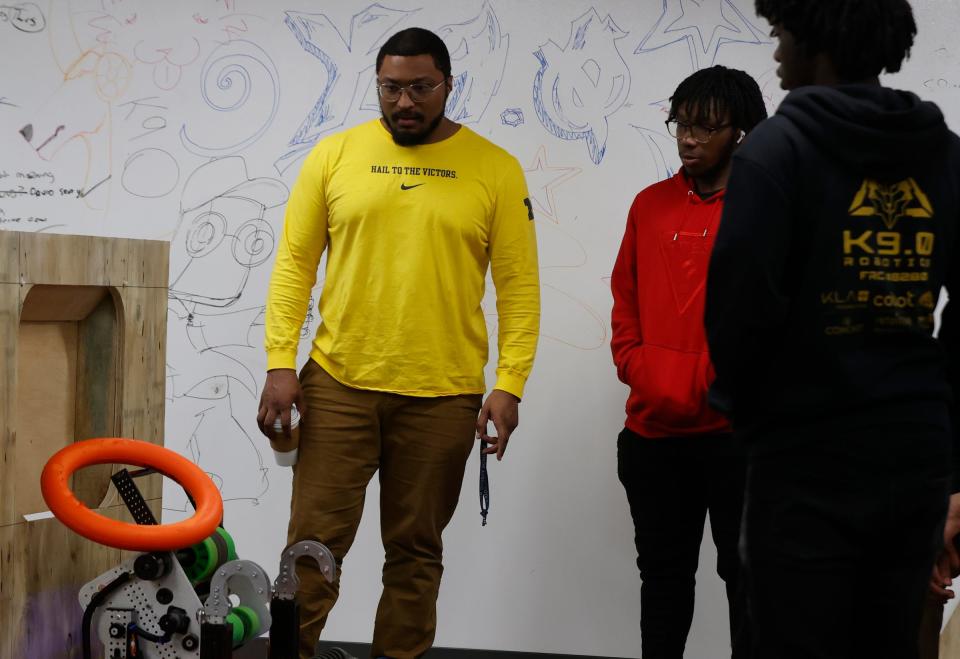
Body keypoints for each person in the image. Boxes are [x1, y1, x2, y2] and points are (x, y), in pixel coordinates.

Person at [257, 27, 540, 659]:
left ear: (447, 84)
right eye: (391, 88)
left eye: (420, 87)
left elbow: (519, 288)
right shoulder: (335, 155)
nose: (404, 102)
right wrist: (281, 363)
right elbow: (294, 266)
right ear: (378, 85)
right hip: (338, 383)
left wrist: (510, 383)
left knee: (415, 554)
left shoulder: (495, 167)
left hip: (443, 394)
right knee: (311, 548)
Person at [704, 1, 960, 657]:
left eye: (782, 33)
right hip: (914, 452)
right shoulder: (944, 152)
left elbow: (738, 310)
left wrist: (753, 417)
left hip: (804, 457)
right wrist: (936, 403)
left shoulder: (775, 151)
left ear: (816, 42)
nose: (777, 51)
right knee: (888, 643)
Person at [610, 65, 766, 658]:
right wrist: (639, 366)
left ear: (742, 133)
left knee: (747, 582)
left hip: (738, 438)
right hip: (652, 434)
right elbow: (625, 301)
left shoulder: (767, 207)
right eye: (682, 123)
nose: (689, 138)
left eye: (707, 126)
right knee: (665, 580)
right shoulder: (649, 205)